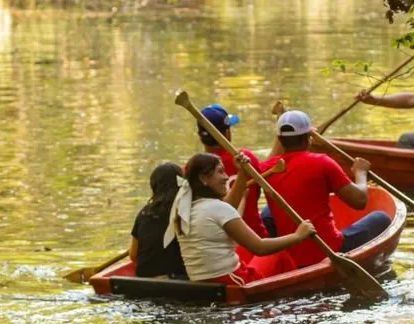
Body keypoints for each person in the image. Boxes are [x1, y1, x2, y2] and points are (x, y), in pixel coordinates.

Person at [259, 110, 393, 267]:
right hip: (329, 250)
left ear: (280, 139)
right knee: (381, 218)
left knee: (268, 211)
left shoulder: (265, 170)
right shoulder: (322, 162)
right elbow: (360, 201)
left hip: (291, 256)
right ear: (308, 137)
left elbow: (268, 162)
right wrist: (360, 173)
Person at [165, 152, 315, 284]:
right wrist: (298, 235)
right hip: (233, 281)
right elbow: (260, 247)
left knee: (243, 252)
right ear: (204, 178)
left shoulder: (185, 208)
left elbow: (228, 211)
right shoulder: (217, 208)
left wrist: (242, 173)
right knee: (279, 254)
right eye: (220, 172)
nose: (226, 177)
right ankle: (297, 296)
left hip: (203, 283)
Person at [197, 103, 270, 237]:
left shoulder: (191, 169)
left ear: (199, 135)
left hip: (217, 243)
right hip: (256, 236)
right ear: (226, 132)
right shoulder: (246, 158)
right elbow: (258, 192)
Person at [129, 161, 187, 278]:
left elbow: (133, 255)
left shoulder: (144, 212)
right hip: (176, 280)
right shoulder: (187, 210)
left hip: (142, 281)